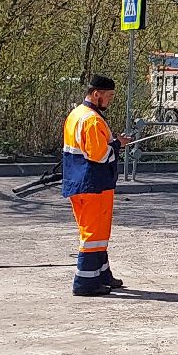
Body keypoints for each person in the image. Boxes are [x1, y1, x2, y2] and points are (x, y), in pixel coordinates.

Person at [62, 75, 128, 296]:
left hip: (80, 181)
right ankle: (85, 283)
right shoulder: (91, 119)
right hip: (93, 184)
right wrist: (117, 144)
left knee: (97, 233)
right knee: (93, 234)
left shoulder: (77, 115)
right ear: (96, 94)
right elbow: (99, 154)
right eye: (108, 96)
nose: (110, 100)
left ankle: (101, 274)